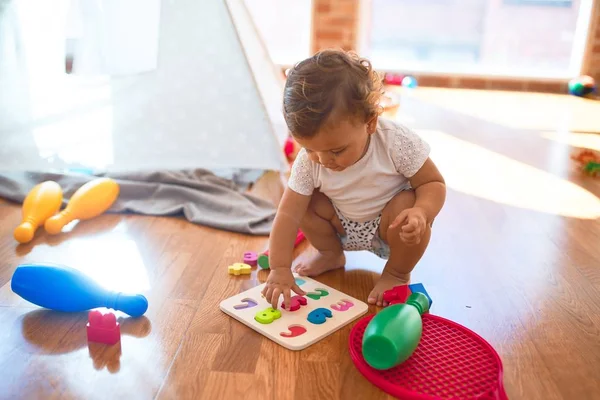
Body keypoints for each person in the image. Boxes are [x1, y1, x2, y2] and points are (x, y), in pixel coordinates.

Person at [261, 49, 446, 309]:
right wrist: (279, 268)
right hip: (341, 224)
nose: (323, 161)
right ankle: (330, 254)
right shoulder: (308, 162)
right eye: (311, 149)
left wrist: (421, 212)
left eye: (336, 150)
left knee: (408, 205)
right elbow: (287, 215)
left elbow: (432, 183)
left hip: (389, 227)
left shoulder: (394, 140)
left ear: (369, 123)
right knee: (304, 201)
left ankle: (396, 273)